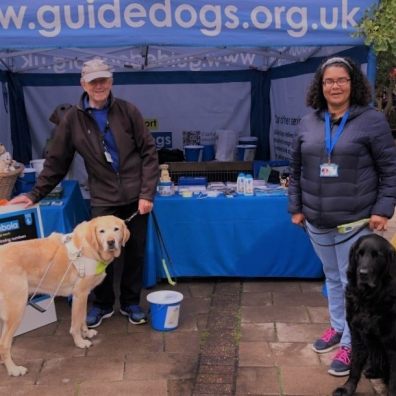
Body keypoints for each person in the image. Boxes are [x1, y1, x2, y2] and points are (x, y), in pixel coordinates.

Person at [9, 58, 159, 328]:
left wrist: (147, 193)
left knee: (134, 253)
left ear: (111, 81)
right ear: (84, 84)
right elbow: (57, 162)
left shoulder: (128, 112)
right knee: (96, 257)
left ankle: (130, 303)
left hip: (136, 198)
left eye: (103, 79)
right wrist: (34, 195)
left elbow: (149, 154)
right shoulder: (72, 120)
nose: (99, 85)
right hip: (102, 198)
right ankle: (101, 305)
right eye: (93, 81)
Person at [288, 56, 396, 377]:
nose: (335, 86)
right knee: (333, 279)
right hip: (317, 222)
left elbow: (390, 170)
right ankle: (337, 328)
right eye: (328, 81)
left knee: (355, 284)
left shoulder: (371, 120)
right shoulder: (308, 122)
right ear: (320, 87)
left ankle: (352, 344)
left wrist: (382, 209)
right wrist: (295, 207)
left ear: (353, 84)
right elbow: (295, 169)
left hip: (357, 222)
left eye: (341, 80)